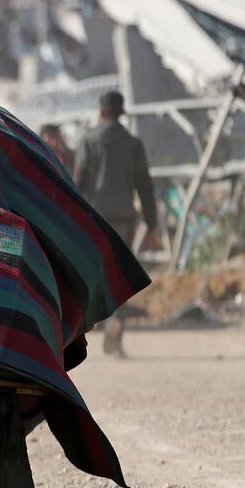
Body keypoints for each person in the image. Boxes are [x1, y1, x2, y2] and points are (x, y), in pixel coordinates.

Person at [75, 91, 161, 357]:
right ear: (120, 113)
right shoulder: (133, 144)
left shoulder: (88, 141)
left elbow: (78, 182)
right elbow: (145, 186)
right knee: (120, 273)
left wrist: (72, 218)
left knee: (92, 273)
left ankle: (85, 329)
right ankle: (116, 324)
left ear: (100, 112)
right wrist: (152, 224)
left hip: (94, 218)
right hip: (124, 219)